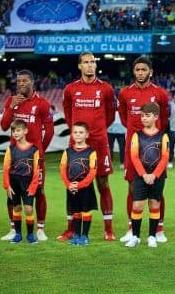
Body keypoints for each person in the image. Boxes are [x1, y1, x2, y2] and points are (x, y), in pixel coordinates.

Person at [60, 52, 116, 241]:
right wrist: (78, 134)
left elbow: (109, 116)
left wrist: (97, 131)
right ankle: (70, 230)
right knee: (73, 185)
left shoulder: (106, 89)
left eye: (93, 62)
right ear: (79, 66)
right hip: (76, 145)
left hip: (99, 143)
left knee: (103, 183)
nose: (90, 65)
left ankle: (108, 229)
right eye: (86, 62)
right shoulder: (70, 89)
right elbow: (68, 114)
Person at [117, 57, 170, 244]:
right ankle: (132, 229)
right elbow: (124, 118)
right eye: (137, 69)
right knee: (132, 187)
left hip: (155, 146)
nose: (140, 72)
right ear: (134, 72)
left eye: (144, 69)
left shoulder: (160, 93)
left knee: (157, 188)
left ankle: (159, 230)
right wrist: (136, 132)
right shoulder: (124, 93)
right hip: (134, 147)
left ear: (150, 72)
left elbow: (164, 118)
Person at [0, 69, 54, 241]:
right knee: (12, 193)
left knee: (39, 191)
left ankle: (40, 229)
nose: (21, 84)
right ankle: (14, 230)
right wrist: (11, 107)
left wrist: (39, 151)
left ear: (32, 82)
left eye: (24, 81)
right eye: (19, 81)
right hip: (15, 157)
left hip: (34, 158)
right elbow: (3, 125)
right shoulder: (11, 101)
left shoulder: (43, 103)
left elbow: (50, 131)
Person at [124, 102, 170, 248]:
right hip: (140, 176)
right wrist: (144, 175)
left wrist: (154, 175)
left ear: (155, 117)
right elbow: (134, 157)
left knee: (154, 204)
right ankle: (135, 237)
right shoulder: (136, 136)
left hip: (158, 176)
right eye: (142, 115)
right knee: (137, 205)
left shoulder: (163, 136)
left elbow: (164, 158)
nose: (144, 118)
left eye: (147, 116)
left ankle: (152, 236)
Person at [59, 122, 98, 246]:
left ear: (87, 135)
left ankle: (85, 236)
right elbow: (63, 169)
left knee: (86, 211)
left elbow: (93, 172)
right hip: (71, 187)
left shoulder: (91, 152)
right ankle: (76, 235)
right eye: (75, 132)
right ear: (72, 134)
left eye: (81, 132)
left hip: (85, 188)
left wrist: (80, 185)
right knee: (75, 211)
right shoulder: (67, 152)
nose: (78, 135)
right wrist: (68, 184)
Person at [2, 120, 40, 244]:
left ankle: (30, 235)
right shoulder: (10, 149)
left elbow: (36, 170)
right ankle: (17, 234)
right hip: (14, 183)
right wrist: (7, 186)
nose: (15, 133)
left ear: (25, 131)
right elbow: (6, 168)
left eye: (18, 130)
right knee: (17, 207)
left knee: (28, 209)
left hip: (28, 183)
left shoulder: (34, 149)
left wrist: (33, 186)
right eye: (13, 131)